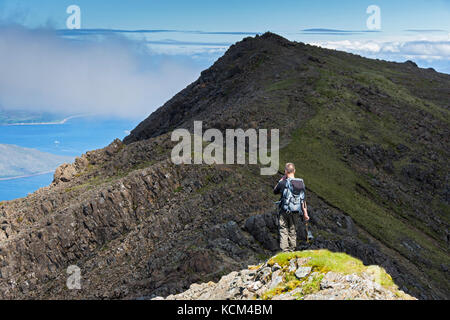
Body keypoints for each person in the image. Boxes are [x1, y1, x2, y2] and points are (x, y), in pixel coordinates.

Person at [273, 163, 309, 252]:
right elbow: (303, 199)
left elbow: (274, 191)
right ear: (294, 171)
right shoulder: (300, 183)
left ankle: (285, 251)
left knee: (283, 230)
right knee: (293, 230)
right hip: (296, 211)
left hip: (284, 210)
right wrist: (305, 213)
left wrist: (281, 180)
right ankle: (292, 250)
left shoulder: (283, 183)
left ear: (285, 171)